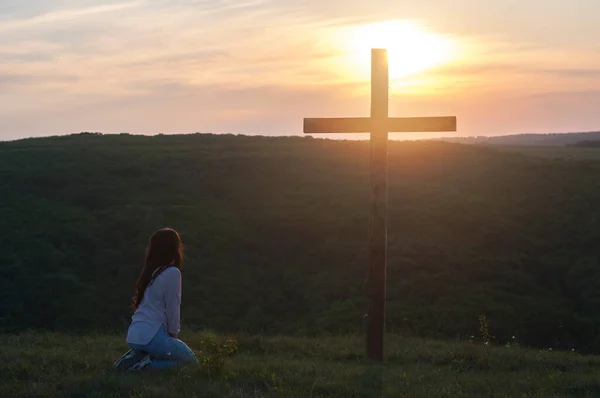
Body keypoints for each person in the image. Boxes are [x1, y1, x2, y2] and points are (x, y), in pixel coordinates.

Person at [113, 228, 198, 371]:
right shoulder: (172, 272)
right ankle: (143, 367)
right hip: (153, 336)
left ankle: (136, 359)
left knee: (171, 355)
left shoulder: (149, 272)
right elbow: (173, 307)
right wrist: (173, 334)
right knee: (191, 364)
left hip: (135, 335)